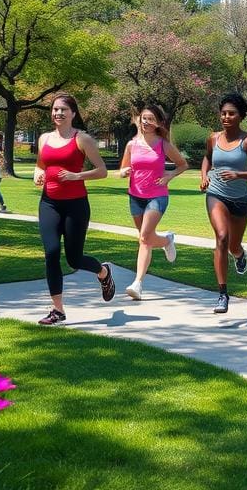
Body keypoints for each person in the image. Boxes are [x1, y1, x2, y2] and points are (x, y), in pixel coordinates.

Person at [34, 92, 113, 325]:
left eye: (63, 110)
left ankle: (103, 272)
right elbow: (40, 165)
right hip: (48, 202)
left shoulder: (82, 139)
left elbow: (102, 171)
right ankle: (57, 310)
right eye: (55, 109)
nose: (58, 113)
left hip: (75, 205)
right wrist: (38, 174)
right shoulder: (44, 138)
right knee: (51, 254)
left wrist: (76, 175)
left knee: (74, 259)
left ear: (73, 114)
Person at [201, 93, 247, 313]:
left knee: (233, 245)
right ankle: (222, 294)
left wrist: (239, 174)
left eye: (231, 113)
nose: (226, 117)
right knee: (221, 237)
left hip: (240, 199)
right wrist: (204, 176)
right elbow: (208, 158)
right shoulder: (213, 138)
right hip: (216, 194)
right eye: (223, 113)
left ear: (241, 116)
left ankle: (239, 254)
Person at [119, 103, 187, 302]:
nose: (146, 122)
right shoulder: (132, 144)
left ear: (158, 123)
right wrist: (123, 172)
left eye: (151, 119)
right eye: (144, 118)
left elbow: (183, 164)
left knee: (144, 238)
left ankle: (137, 284)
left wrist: (170, 176)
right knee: (145, 238)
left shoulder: (162, 144)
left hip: (157, 196)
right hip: (135, 196)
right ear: (139, 119)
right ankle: (167, 240)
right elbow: (122, 169)